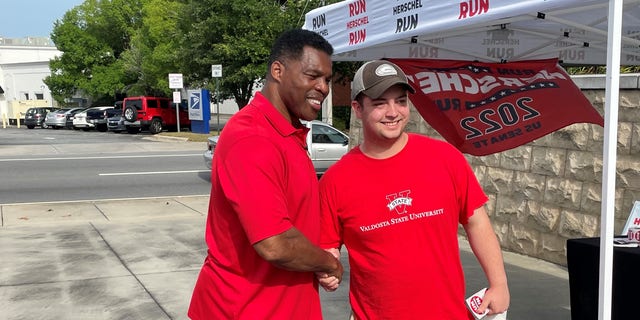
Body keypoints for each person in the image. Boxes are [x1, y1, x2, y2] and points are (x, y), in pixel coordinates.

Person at [317, 60, 510, 319]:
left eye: (400, 101)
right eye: (379, 103)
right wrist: (328, 269)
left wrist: (499, 284)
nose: (393, 112)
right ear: (358, 109)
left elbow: (477, 223)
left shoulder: (445, 158)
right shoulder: (336, 180)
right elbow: (328, 245)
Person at [188, 29, 343, 319]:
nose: (322, 87)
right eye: (312, 75)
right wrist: (328, 264)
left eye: (327, 80)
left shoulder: (285, 133)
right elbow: (276, 244)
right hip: (247, 308)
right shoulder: (253, 138)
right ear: (278, 70)